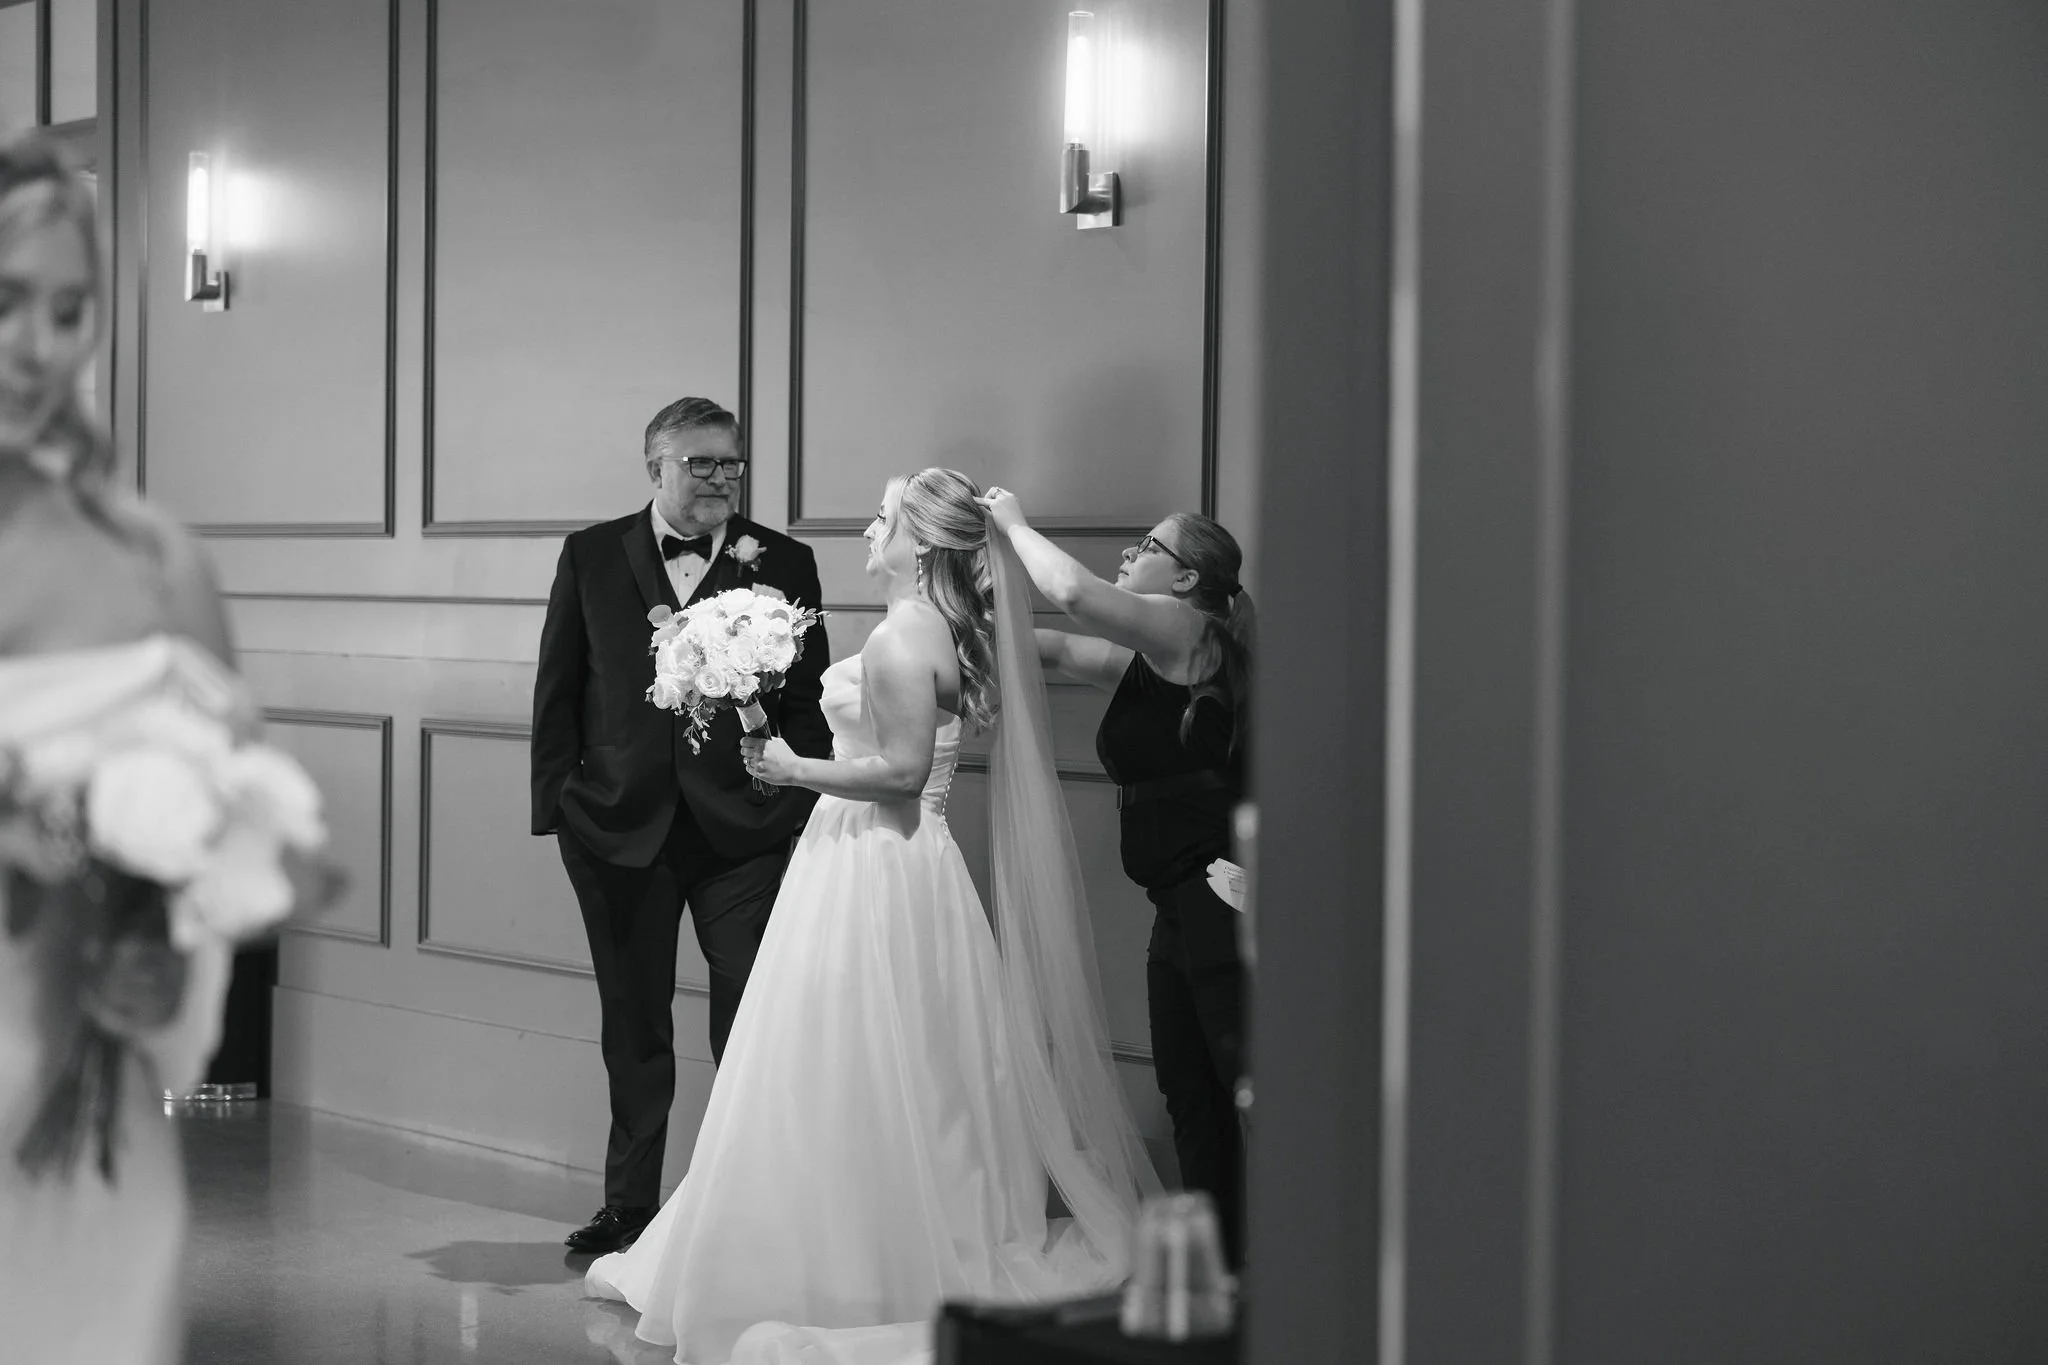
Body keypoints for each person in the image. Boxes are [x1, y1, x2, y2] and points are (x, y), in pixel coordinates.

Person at [583, 469, 1159, 1365]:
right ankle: (908, 1227)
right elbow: (1105, 660)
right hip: (916, 870)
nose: (865, 530)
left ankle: (852, 1257)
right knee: (917, 1061)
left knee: (838, 1053)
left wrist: (786, 766)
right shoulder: (960, 629)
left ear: (920, 542)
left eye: (882, 518)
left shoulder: (901, 637)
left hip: (871, 862)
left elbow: (896, 773)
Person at [0, 133, 239, 1364]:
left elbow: (230, 820)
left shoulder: (159, 564)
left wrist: (160, 943)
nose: (33, 347)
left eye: (67, 308)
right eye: (2, 301)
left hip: (88, 1099)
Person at [531, 397, 833, 1255]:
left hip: (745, 829)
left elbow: (805, 702)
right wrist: (560, 806)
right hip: (617, 830)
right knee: (634, 1022)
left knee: (750, 1011)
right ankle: (630, 1204)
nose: (719, 479)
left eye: (731, 463)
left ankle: (744, 1201)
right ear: (655, 466)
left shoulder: (783, 560)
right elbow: (559, 688)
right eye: (700, 463)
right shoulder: (590, 555)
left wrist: (801, 804)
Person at [981, 488, 1253, 1268]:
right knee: (1191, 1092)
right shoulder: (1155, 660)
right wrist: (949, 602)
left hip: (1219, 896)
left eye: (1149, 547)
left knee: (1239, 1087)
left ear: (1184, 579)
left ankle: (1288, 1277)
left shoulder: (1192, 631)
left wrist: (1017, 523)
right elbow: (1052, 645)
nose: (1130, 555)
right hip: (1178, 904)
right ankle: (1223, 1269)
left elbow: (1068, 593)